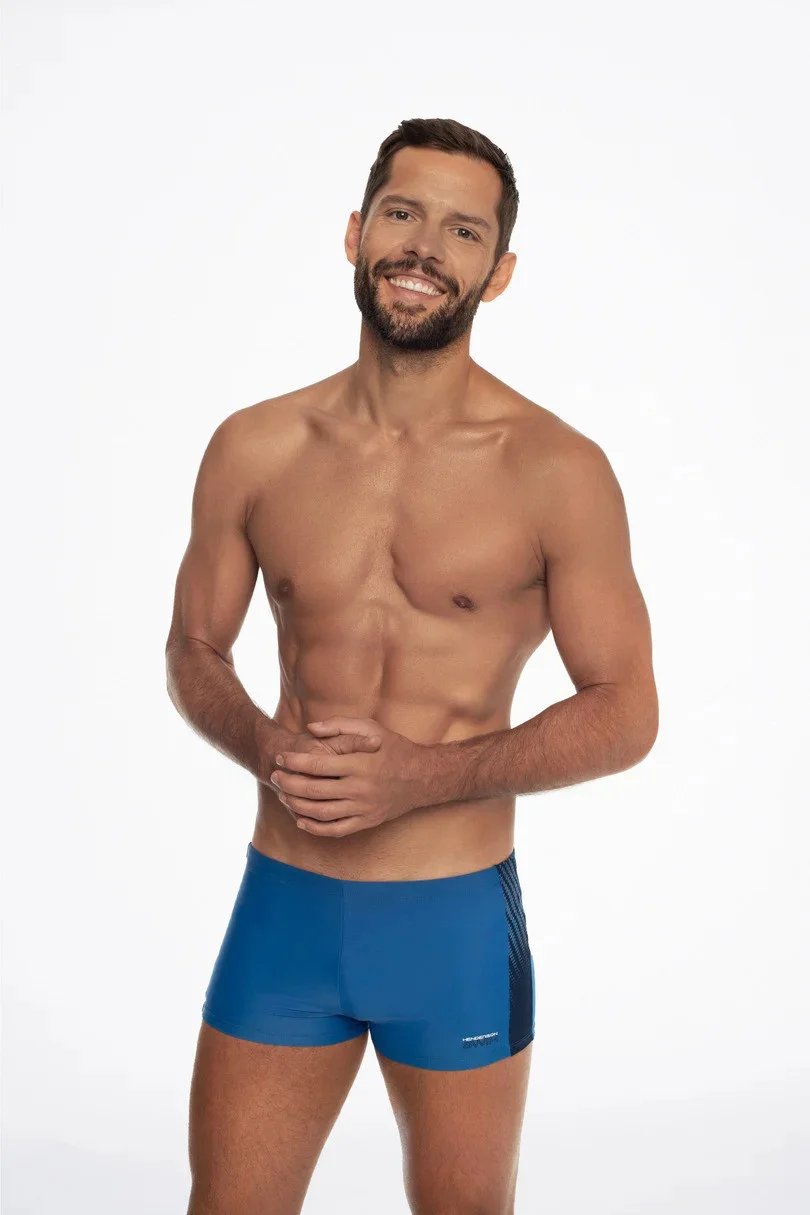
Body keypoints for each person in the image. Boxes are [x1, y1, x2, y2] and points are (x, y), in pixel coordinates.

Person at [165, 116, 658, 1215]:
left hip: (453, 923)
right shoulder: (255, 445)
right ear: (356, 232)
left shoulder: (557, 470)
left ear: (500, 270)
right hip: (284, 908)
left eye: (463, 230)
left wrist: (424, 777)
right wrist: (265, 746)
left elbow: (627, 711)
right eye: (403, 213)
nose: (425, 246)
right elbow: (194, 648)